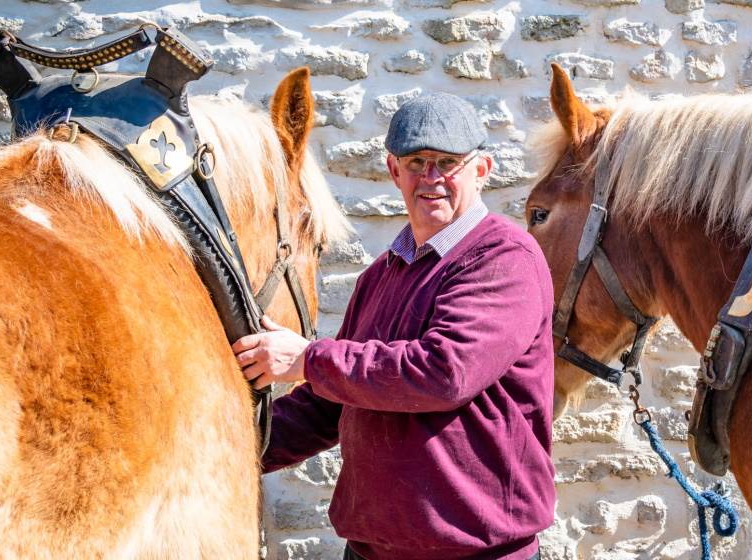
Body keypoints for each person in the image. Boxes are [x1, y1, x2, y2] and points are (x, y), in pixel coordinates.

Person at [232, 92, 556, 560]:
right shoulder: (381, 275)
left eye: (448, 162)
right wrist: (226, 449)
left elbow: (445, 372)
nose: (431, 178)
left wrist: (307, 358)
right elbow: (328, 402)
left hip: (477, 554)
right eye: (416, 161)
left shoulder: (505, 258)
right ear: (393, 171)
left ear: (481, 170)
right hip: (369, 551)